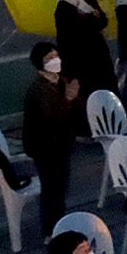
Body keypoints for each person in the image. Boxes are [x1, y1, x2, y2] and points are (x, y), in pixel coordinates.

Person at [20, 41, 79, 233]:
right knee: (51, 189)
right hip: (46, 147)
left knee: (61, 188)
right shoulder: (39, 89)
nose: (55, 61)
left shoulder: (60, 81)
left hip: (62, 145)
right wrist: (68, 99)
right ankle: (51, 229)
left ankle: (60, 224)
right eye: (49, 58)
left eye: (56, 56)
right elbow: (53, 115)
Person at [53, 0, 117, 98]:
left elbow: (103, 21)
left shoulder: (90, 0)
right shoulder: (64, 7)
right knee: (90, 94)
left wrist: (95, 19)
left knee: (109, 90)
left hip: (100, 54)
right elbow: (73, 34)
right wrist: (93, 20)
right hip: (82, 60)